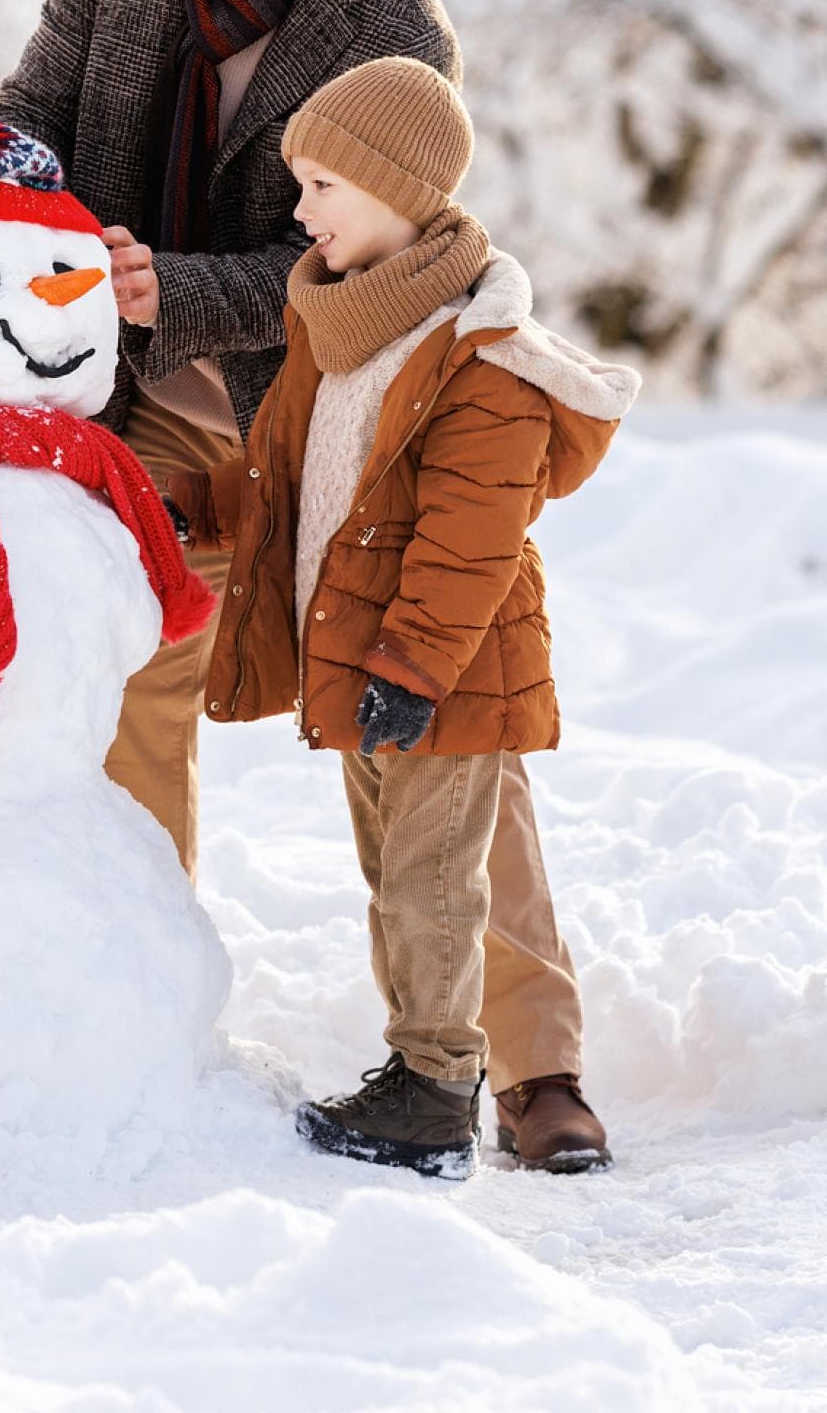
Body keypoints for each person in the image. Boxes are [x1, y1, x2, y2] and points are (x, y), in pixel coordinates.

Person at [0, 0, 615, 1165]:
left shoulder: (390, 34)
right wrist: (8, 188)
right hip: (138, 379)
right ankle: (134, 1009)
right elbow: (37, 98)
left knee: (460, 720)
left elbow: (357, 259)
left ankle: (534, 1062)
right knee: (127, 654)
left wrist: (181, 287)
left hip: (331, 394)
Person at [172, 59, 636, 1175]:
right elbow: (297, 480)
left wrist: (415, 665)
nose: (300, 209)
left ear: (395, 189)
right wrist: (193, 504)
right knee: (398, 875)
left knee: (434, 882)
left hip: (440, 671)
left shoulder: (484, 356)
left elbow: (467, 539)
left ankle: (436, 1088)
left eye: (323, 183)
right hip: (363, 658)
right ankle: (421, 1065)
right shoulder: (343, 330)